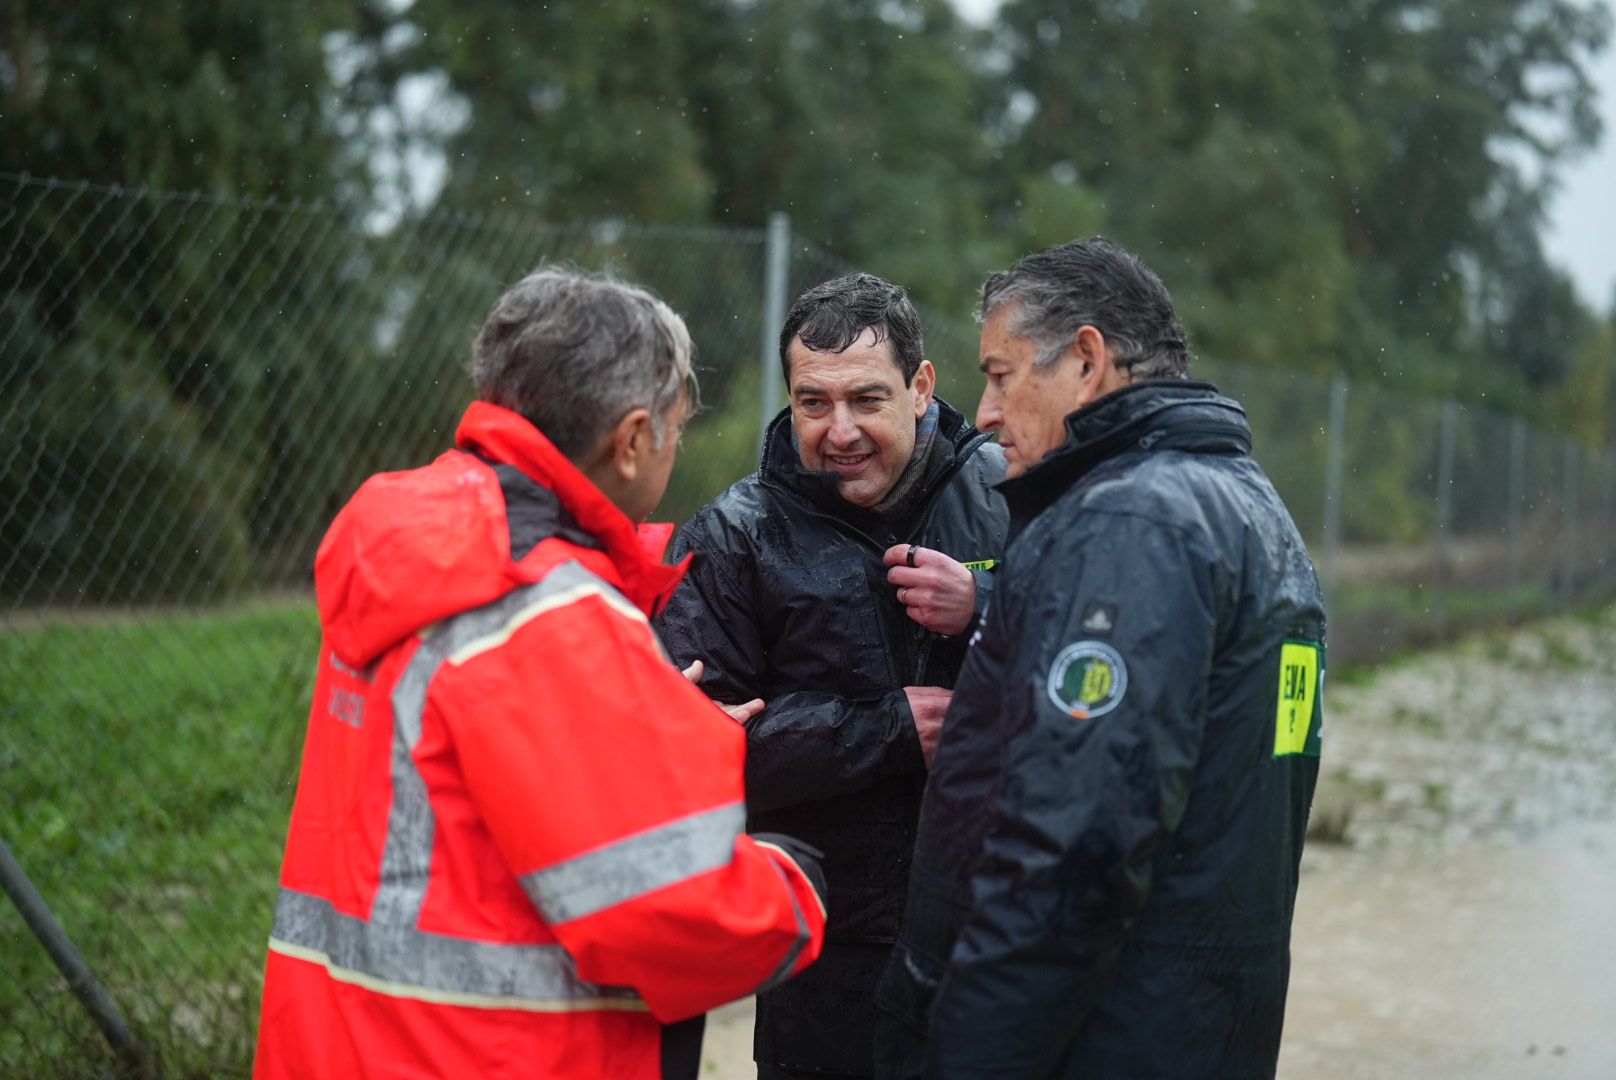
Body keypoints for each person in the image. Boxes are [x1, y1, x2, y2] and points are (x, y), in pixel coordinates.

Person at [253, 268, 828, 1080]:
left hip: (347, 1043)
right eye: (674, 428)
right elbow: (665, 913)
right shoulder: (549, 612)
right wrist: (792, 890)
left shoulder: (419, 550)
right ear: (631, 441)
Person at [875, 238, 1326, 1078]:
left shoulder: (1130, 527)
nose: (984, 413)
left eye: (1002, 375)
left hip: (1100, 1041)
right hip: (1196, 1029)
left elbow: (1071, 854)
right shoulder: (1253, 512)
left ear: (1087, 360)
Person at [654, 273, 1009, 1078]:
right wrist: (882, 730)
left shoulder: (1010, 494)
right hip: (823, 943)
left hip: (994, 928)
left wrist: (987, 599)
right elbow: (693, 750)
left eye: (866, 400)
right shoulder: (734, 536)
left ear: (922, 388)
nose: (839, 430)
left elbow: (1088, 650)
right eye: (814, 403)